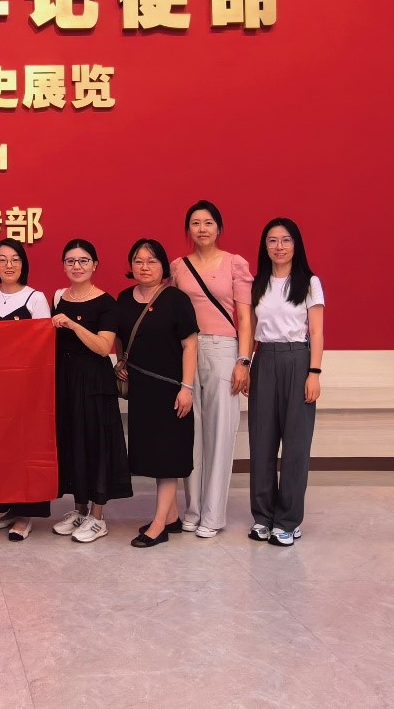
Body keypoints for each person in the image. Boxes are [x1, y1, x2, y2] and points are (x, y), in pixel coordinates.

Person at [168, 200, 254, 538]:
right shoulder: (178, 267)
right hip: (187, 350)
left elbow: (245, 317)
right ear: (187, 229)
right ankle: (192, 509)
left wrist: (244, 361)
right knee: (190, 433)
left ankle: (214, 514)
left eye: (208, 223)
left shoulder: (235, 263)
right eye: (195, 223)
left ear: (219, 228)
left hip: (223, 350)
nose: (202, 229)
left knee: (220, 434)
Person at [243, 218, 325, 547]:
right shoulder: (258, 283)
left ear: (296, 244)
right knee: (261, 441)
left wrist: (314, 373)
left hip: (298, 359)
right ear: (265, 246)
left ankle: (288, 521)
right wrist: (246, 365)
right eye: (272, 240)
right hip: (264, 359)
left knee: (295, 445)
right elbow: (249, 329)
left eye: (286, 240)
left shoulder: (309, 282)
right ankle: (263, 516)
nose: (279, 246)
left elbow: (316, 331)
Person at [115, 238, 198, 548]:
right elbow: (120, 337)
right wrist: (120, 362)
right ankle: (172, 516)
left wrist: (186, 387)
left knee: (168, 458)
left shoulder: (177, 299)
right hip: (141, 391)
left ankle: (159, 524)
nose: (145, 266)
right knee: (153, 455)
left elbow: (190, 345)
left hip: (171, 390)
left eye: (151, 261)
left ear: (163, 266)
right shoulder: (123, 298)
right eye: (138, 261)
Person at [48, 238, 132, 544]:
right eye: (70, 261)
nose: (77, 266)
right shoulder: (59, 298)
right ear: (63, 266)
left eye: (83, 261)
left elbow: (101, 346)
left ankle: (98, 517)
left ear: (95, 265)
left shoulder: (106, 303)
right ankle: (80, 509)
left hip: (94, 383)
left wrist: (73, 324)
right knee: (73, 443)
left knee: (96, 446)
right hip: (66, 382)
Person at [0, 238, 52, 541]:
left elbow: (43, 345)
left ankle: (26, 515)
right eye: (2, 259)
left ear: (24, 264)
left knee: (27, 449)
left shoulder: (36, 298)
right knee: (0, 449)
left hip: (27, 388)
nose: (9, 265)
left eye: (15, 259)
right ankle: (9, 507)